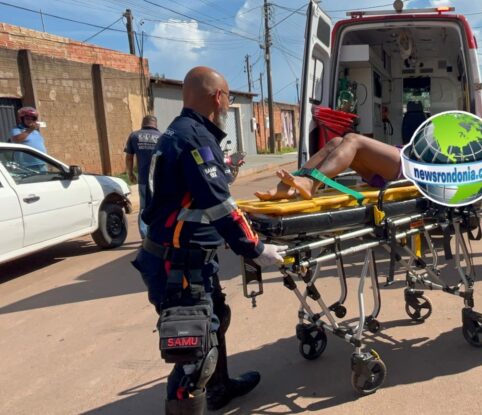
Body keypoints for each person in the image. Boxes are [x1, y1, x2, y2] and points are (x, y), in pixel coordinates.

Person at [132, 66, 285, 414]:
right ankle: (203, 391)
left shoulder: (182, 132)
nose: (228, 106)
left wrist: (225, 238)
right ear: (218, 97)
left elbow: (195, 199)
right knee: (193, 357)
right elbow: (219, 204)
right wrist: (256, 249)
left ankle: (221, 388)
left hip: (190, 259)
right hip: (178, 265)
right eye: (228, 98)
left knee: (216, 320)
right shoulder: (195, 138)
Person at [255, 132, 402, 200]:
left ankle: (311, 183)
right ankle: (284, 187)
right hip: (390, 171)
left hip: (410, 169)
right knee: (336, 142)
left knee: (353, 139)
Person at [124, 115, 162, 239]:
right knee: (159, 206)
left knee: (144, 207)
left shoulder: (134, 136)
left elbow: (129, 157)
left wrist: (130, 173)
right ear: (155, 124)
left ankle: (145, 236)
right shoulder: (162, 137)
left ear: (143, 123)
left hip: (143, 179)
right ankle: (157, 235)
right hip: (159, 180)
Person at [9, 106, 48, 172]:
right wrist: (30, 130)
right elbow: (16, 140)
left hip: (42, 164)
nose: (30, 121)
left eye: (32, 119)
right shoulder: (16, 130)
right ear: (22, 119)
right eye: (27, 119)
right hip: (26, 166)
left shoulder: (36, 131)